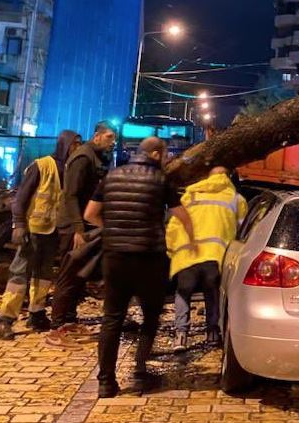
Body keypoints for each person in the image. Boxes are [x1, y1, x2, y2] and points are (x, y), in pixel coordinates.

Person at [83, 136, 195, 398]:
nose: (167, 158)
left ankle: (106, 382)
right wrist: (191, 240)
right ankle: (140, 372)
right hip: (149, 259)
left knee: (112, 318)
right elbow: (182, 215)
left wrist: (111, 229)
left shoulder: (111, 177)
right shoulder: (160, 180)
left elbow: (89, 214)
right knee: (151, 316)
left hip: (115, 258)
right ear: (156, 154)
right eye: (165, 154)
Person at [0, 131, 82, 340]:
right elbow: (21, 198)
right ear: (65, 145)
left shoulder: (69, 169)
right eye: (74, 144)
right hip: (33, 229)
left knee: (43, 276)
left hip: (53, 231)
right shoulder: (41, 166)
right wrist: (19, 225)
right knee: (19, 274)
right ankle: (5, 320)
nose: (77, 148)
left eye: (79, 144)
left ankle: (36, 313)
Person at [45, 121, 116, 347]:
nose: (112, 142)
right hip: (72, 227)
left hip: (83, 225)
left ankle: (69, 320)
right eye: (109, 137)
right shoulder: (83, 158)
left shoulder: (95, 157)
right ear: (97, 136)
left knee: (78, 276)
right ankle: (56, 329)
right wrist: (77, 228)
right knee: (67, 275)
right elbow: (71, 195)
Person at [166, 166, 246, 352]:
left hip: (187, 254)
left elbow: (173, 225)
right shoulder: (236, 200)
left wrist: (171, 250)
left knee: (183, 293)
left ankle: (180, 335)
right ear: (228, 178)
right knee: (212, 293)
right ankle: (212, 333)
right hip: (216, 255)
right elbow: (242, 231)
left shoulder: (191, 196)